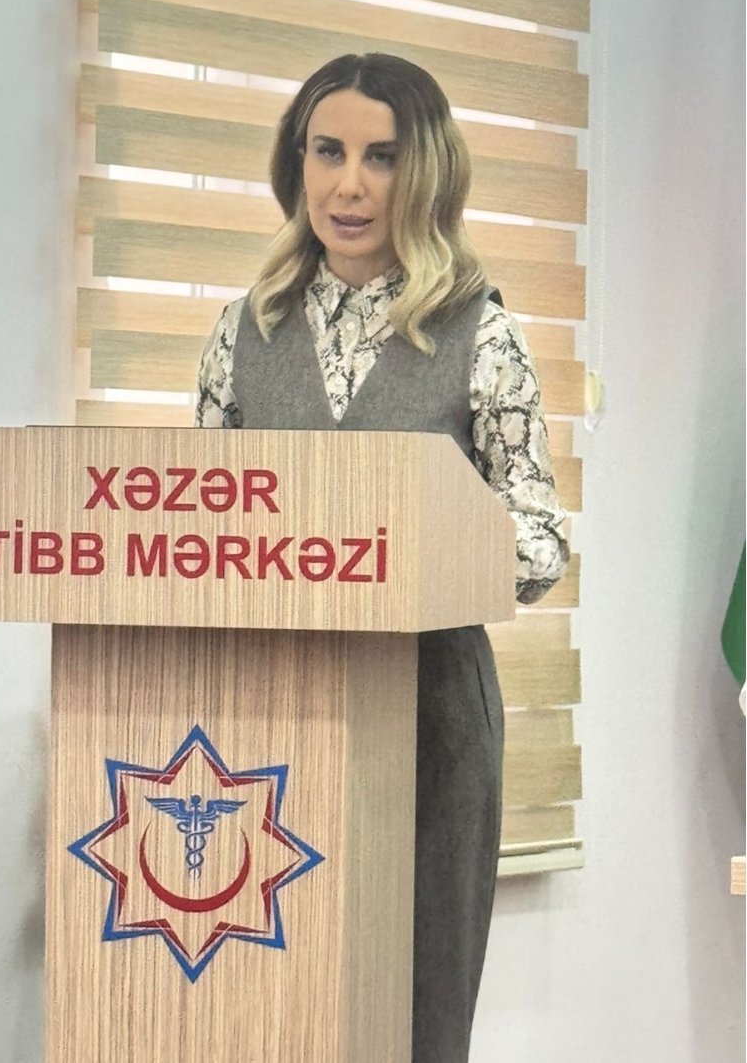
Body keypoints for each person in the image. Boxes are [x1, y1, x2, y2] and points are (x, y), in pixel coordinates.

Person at [194, 52, 569, 1062]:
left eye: (381, 157)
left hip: (431, 718)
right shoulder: (242, 332)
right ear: (297, 163)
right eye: (327, 152)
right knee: (273, 1009)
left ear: (426, 171)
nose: (349, 185)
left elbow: (541, 541)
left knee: (415, 1010)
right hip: (269, 710)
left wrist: (422, 545)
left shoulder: (482, 333)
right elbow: (201, 530)